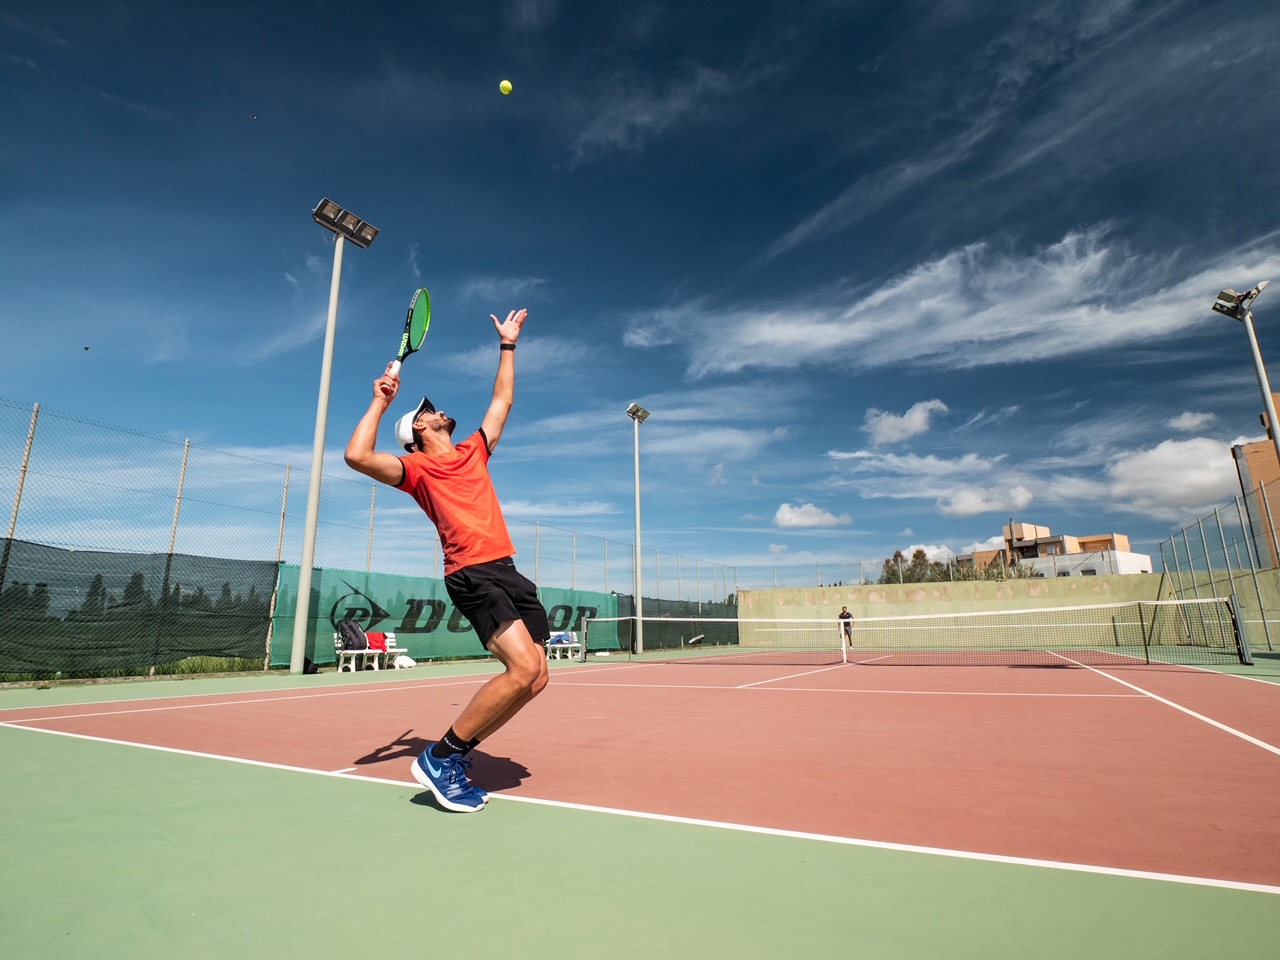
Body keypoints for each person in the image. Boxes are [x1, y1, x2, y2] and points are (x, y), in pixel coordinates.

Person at [344, 308, 549, 813]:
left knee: (538, 675)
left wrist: (508, 346)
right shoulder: (414, 469)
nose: (437, 410)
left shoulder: (473, 451)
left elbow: (502, 400)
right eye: (427, 411)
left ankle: (455, 756)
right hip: (471, 573)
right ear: (416, 431)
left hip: (506, 568)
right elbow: (355, 455)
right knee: (521, 669)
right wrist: (378, 402)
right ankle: (440, 757)